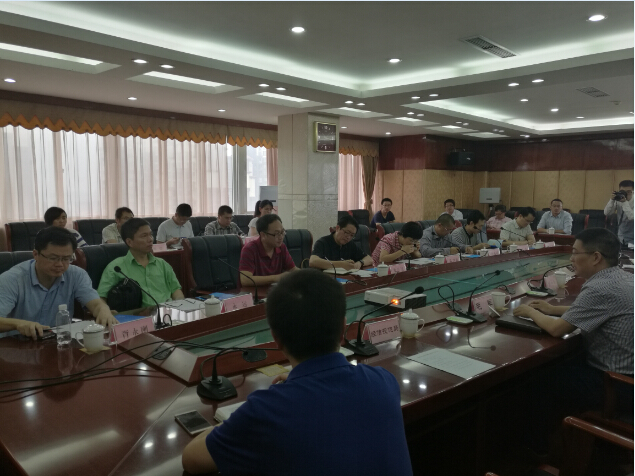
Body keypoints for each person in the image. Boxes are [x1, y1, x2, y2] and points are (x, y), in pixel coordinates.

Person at [181, 270, 413, 476]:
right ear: (343, 327)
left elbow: (192, 459)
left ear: (275, 338)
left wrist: (244, 418)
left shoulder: (266, 412)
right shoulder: (384, 381)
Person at [513, 228, 633, 450]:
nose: (571, 258)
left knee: (539, 380)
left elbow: (557, 330)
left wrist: (530, 311)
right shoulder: (622, 277)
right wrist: (551, 309)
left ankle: (537, 450)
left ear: (595, 257)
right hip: (625, 375)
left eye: (576, 252)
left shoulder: (600, 287)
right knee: (561, 363)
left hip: (617, 385)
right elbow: (595, 310)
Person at [0, 227, 117, 339]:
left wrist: (103, 310)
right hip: (16, 344)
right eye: (53, 258)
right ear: (35, 254)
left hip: (59, 341)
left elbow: (95, 304)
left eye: (66, 259)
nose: (60, 264)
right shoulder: (12, 279)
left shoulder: (77, 274)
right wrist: (18, 324)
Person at [97, 218, 184, 309]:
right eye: (144, 236)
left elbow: (176, 291)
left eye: (150, 235)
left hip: (167, 313)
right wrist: (106, 311)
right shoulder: (116, 268)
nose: (150, 239)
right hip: (135, 316)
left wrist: (180, 307)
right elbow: (101, 298)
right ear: (129, 242)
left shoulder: (162, 264)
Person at [238, 214, 297, 286]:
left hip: (275, 290)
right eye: (277, 234)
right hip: (256, 292)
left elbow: (293, 270)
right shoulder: (249, 249)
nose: (281, 237)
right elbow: (245, 280)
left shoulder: (281, 247)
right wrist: (277, 278)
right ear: (263, 235)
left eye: (282, 232)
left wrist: (306, 275)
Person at [604, 179, 634, 245]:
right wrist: (611, 200)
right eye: (623, 191)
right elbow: (607, 213)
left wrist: (625, 202)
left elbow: (632, 217)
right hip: (621, 236)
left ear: (633, 192)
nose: (625, 194)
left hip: (632, 237)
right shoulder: (619, 199)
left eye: (628, 192)